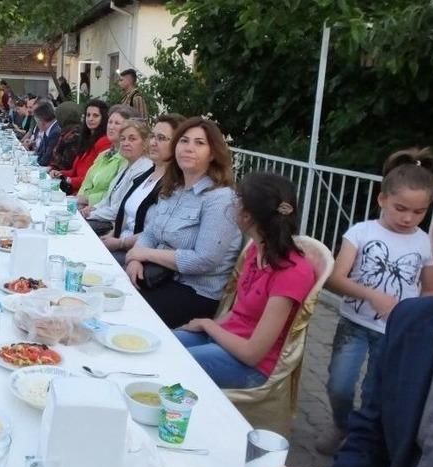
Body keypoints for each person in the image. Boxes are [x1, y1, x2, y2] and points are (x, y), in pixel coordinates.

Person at [316, 148, 433, 454]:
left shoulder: (425, 243)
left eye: (419, 212)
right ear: (382, 199)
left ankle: (358, 443)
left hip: (394, 332)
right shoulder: (361, 232)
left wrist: (415, 324)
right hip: (353, 325)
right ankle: (342, 424)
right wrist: (373, 296)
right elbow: (334, 279)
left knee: (374, 392)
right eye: (401, 208)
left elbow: (430, 292)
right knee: (339, 385)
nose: (408, 218)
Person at [256, 295, 433, 467]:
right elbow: (372, 435)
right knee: (341, 385)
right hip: (359, 322)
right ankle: (340, 425)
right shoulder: (414, 320)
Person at [174, 172, 315, 388]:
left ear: (247, 215)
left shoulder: (291, 272)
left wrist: (207, 325)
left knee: (174, 364)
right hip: (227, 339)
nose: (232, 205)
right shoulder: (257, 251)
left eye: (237, 199)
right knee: (165, 345)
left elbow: (252, 353)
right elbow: (240, 312)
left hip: (253, 366)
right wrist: (209, 328)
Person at [125, 117, 242, 329]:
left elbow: (204, 260)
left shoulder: (221, 199)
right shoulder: (174, 188)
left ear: (213, 154)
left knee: (126, 312)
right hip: (157, 277)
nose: (188, 148)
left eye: (199, 143)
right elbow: (150, 233)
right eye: (184, 141)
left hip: (195, 292)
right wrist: (135, 260)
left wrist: (145, 254)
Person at [102, 113, 186, 263]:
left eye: (161, 138)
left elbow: (156, 233)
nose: (153, 142)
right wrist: (111, 236)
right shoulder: (147, 174)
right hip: (120, 245)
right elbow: (125, 216)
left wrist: (120, 243)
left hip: (138, 255)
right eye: (152, 136)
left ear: (178, 144)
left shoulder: (175, 184)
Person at [81, 105, 139, 236]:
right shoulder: (104, 154)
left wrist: (87, 202)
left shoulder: (127, 160)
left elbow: (112, 195)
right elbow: (87, 182)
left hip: (106, 220)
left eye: (117, 123)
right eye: (110, 122)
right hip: (91, 208)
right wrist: (78, 200)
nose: (111, 126)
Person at [50, 99, 110, 195]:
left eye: (95, 115)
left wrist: (69, 180)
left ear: (103, 118)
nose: (90, 119)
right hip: (74, 189)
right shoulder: (86, 138)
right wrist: (60, 173)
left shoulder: (104, 141)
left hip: (85, 194)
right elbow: (75, 171)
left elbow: (95, 177)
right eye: (88, 115)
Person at [48, 101, 83, 171]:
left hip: (66, 173)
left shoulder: (75, 135)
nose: (57, 120)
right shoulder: (67, 131)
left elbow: (67, 163)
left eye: (58, 117)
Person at [33, 101, 60, 167]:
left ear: (42, 121)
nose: (37, 125)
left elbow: (46, 160)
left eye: (37, 122)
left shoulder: (55, 132)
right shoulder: (48, 129)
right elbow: (40, 152)